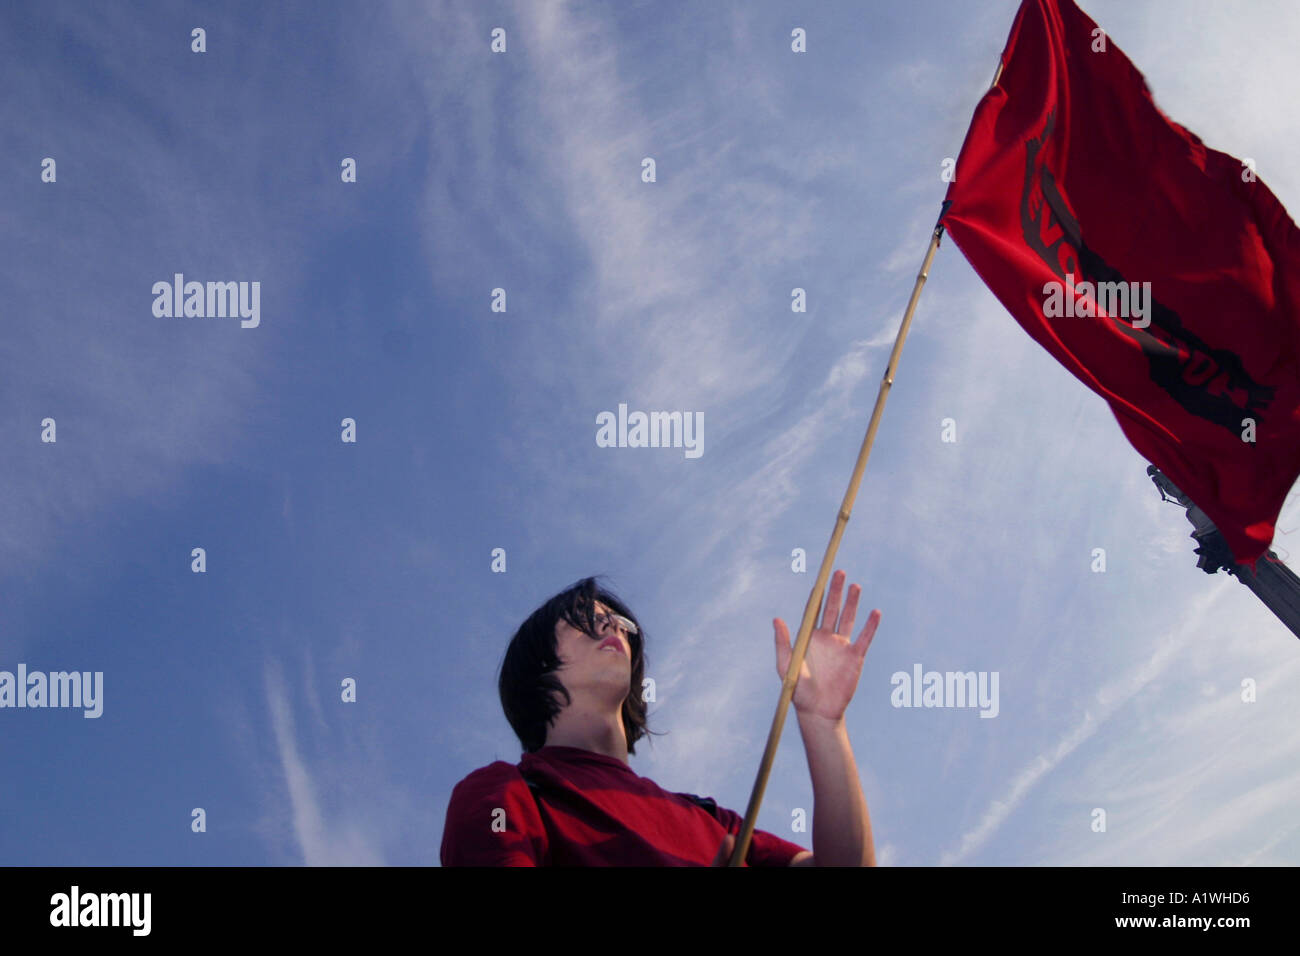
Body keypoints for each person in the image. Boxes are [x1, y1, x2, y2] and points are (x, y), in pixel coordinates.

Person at [439, 569, 881, 866]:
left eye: (619, 623)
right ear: (537, 662)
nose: (612, 627)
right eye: (586, 620)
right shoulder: (507, 793)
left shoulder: (708, 817)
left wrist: (825, 724)